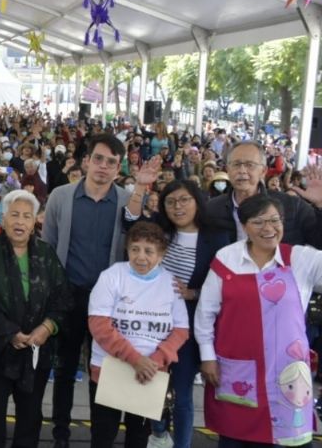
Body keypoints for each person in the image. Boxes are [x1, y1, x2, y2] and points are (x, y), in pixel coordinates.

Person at [196, 194, 322, 447]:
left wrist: (320, 207)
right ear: (244, 227)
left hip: (287, 374)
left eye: (275, 220)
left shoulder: (300, 259)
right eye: (258, 221)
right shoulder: (227, 258)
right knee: (235, 436)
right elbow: (205, 312)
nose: (268, 228)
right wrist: (207, 356)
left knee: (289, 437)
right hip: (237, 370)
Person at [125, 176, 231, 448]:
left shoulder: (217, 236)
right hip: (153, 323)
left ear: (197, 201)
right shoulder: (160, 229)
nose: (178, 207)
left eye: (185, 200)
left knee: (182, 394)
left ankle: (181, 444)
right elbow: (130, 225)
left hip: (190, 326)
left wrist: (193, 293)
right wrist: (139, 188)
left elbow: (224, 282)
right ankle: (159, 434)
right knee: (153, 384)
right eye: (171, 202)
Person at [42, 133, 132, 448]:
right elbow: (48, 249)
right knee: (64, 368)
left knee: (103, 372)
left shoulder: (126, 201)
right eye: (98, 158)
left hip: (109, 304)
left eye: (111, 162)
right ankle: (61, 434)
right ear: (86, 160)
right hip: (68, 296)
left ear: (118, 168)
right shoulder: (60, 197)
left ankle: (101, 438)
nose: (103, 167)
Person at [0, 190, 71, 448]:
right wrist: (9, 333)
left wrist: (47, 327)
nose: (20, 221)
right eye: (14, 214)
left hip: (36, 350)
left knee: (30, 416)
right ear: (3, 218)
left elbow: (63, 298)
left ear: (35, 220)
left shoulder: (46, 254)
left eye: (27, 216)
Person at [87, 221, 189, 448]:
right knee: (103, 436)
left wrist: (156, 360)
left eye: (149, 251)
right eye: (135, 249)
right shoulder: (112, 276)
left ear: (162, 254)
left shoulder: (170, 283)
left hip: (150, 373)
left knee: (138, 437)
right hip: (110, 368)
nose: (141, 257)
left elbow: (181, 330)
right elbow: (99, 324)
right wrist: (135, 359)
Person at [207, 141, 322, 247]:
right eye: (236, 164)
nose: (242, 170)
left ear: (263, 171)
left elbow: (318, 241)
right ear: (227, 170)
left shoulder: (292, 206)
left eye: (249, 165)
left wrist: (320, 204)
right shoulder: (212, 209)